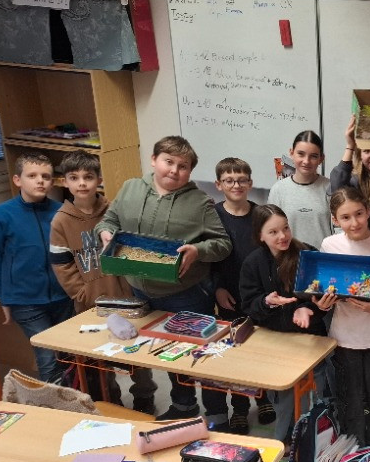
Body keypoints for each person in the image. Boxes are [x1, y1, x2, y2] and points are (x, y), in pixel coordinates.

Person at [94, 136, 232, 424]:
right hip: (140, 290)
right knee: (162, 353)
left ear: (190, 171)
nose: (174, 170)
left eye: (183, 166)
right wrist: (105, 233)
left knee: (199, 355)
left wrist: (197, 251)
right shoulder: (130, 188)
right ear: (154, 160)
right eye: (168, 162)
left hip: (186, 292)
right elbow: (109, 220)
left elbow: (222, 244)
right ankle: (184, 406)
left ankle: (218, 414)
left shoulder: (200, 202)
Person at [48, 151, 156, 408]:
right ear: (65, 182)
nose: (82, 183)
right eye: (74, 178)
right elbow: (62, 266)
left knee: (137, 355)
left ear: (99, 179)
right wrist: (84, 294)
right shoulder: (61, 221)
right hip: (92, 305)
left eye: (88, 177)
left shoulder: (114, 211)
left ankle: (145, 398)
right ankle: (112, 402)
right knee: (101, 359)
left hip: (129, 298)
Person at [238, 204, 336, 443]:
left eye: (285, 228)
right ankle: (287, 443)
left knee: (319, 392)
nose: (282, 236)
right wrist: (267, 302)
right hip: (276, 342)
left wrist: (314, 307)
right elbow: (249, 304)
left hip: (311, 340)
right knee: (284, 398)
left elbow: (321, 296)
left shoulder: (307, 254)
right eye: (273, 232)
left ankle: (318, 440)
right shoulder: (253, 263)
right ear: (260, 235)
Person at [321, 188, 370, 459]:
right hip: (344, 338)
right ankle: (353, 459)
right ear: (335, 219)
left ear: (368, 211)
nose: (354, 222)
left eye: (359, 214)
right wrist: (323, 303)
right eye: (345, 217)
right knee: (350, 403)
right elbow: (324, 290)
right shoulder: (329, 245)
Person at [0, 152, 72, 382]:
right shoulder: (1, 215)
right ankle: (55, 403)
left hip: (63, 298)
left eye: (46, 176)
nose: (40, 181)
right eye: (32, 176)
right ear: (17, 180)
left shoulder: (61, 212)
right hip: (26, 302)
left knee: (69, 355)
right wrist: (5, 298)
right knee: (48, 358)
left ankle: (76, 399)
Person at [212, 157, 272, 433]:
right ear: (219, 184)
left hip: (259, 295)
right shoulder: (213, 216)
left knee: (261, 349)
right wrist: (217, 288)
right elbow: (209, 258)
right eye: (229, 180)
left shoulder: (260, 215)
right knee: (235, 352)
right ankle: (239, 407)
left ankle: (263, 398)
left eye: (241, 180)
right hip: (229, 295)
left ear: (250, 183)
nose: (236, 185)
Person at [267, 131, 333, 250]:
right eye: (301, 154)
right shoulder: (278, 190)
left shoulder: (330, 188)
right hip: (288, 258)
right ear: (291, 153)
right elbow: (272, 231)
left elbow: (340, 230)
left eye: (313, 156)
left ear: (321, 159)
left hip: (324, 258)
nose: (306, 161)